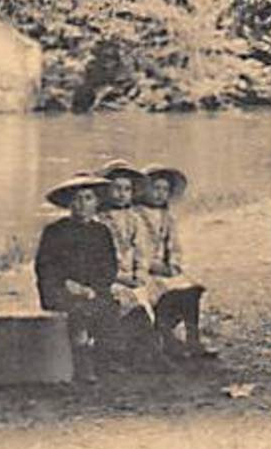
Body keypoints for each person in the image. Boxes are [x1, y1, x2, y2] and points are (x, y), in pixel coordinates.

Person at [33, 174, 129, 383]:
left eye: (88, 198)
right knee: (78, 309)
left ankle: (105, 358)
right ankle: (82, 361)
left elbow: (109, 266)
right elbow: (45, 267)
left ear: (96, 202)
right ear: (69, 203)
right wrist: (67, 284)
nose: (82, 204)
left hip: (92, 289)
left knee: (108, 305)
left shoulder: (101, 231)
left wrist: (94, 287)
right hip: (59, 289)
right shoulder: (55, 231)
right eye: (77, 199)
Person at [134, 164, 215, 359]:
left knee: (191, 290)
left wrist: (174, 265)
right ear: (145, 189)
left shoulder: (167, 217)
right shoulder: (135, 215)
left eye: (164, 190)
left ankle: (193, 339)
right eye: (155, 188)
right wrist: (154, 266)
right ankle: (166, 338)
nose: (160, 194)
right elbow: (136, 249)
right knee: (161, 292)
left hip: (165, 269)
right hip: (145, 271)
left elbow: (175, 247)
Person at [95, 159, 163, 366]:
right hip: (110, 276)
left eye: (127, 189)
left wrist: (140, 273)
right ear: (106, 191)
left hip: (132, 274)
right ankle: (122, 349)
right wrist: (123, 278)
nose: (122, 193)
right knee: (124, 297)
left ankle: (149, 344)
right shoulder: (99, 220)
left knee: (153, 291)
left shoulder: (134, 219)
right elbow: (98, 260)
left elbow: (142, 251)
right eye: (116, 189)